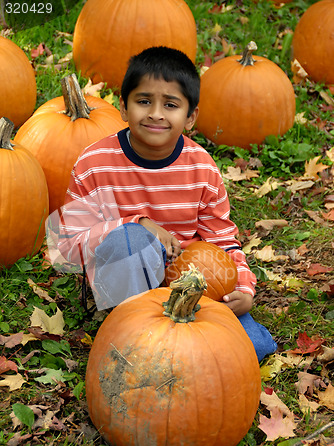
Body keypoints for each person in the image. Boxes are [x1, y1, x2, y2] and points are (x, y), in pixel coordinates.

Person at [50, 46, 277, 362]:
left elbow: (222, 241)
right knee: (134, 240)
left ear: (190, 116)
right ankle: (130, 331)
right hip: (124, 282)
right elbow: (67, 248)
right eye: (144, 101)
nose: (156, 113)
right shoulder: (94, 164)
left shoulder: (201, 168)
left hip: (188, 285)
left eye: (170, 104)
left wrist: (243, 287)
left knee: (254, 347)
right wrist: (135, 224)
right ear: (124, 108)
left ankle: (181, 347)